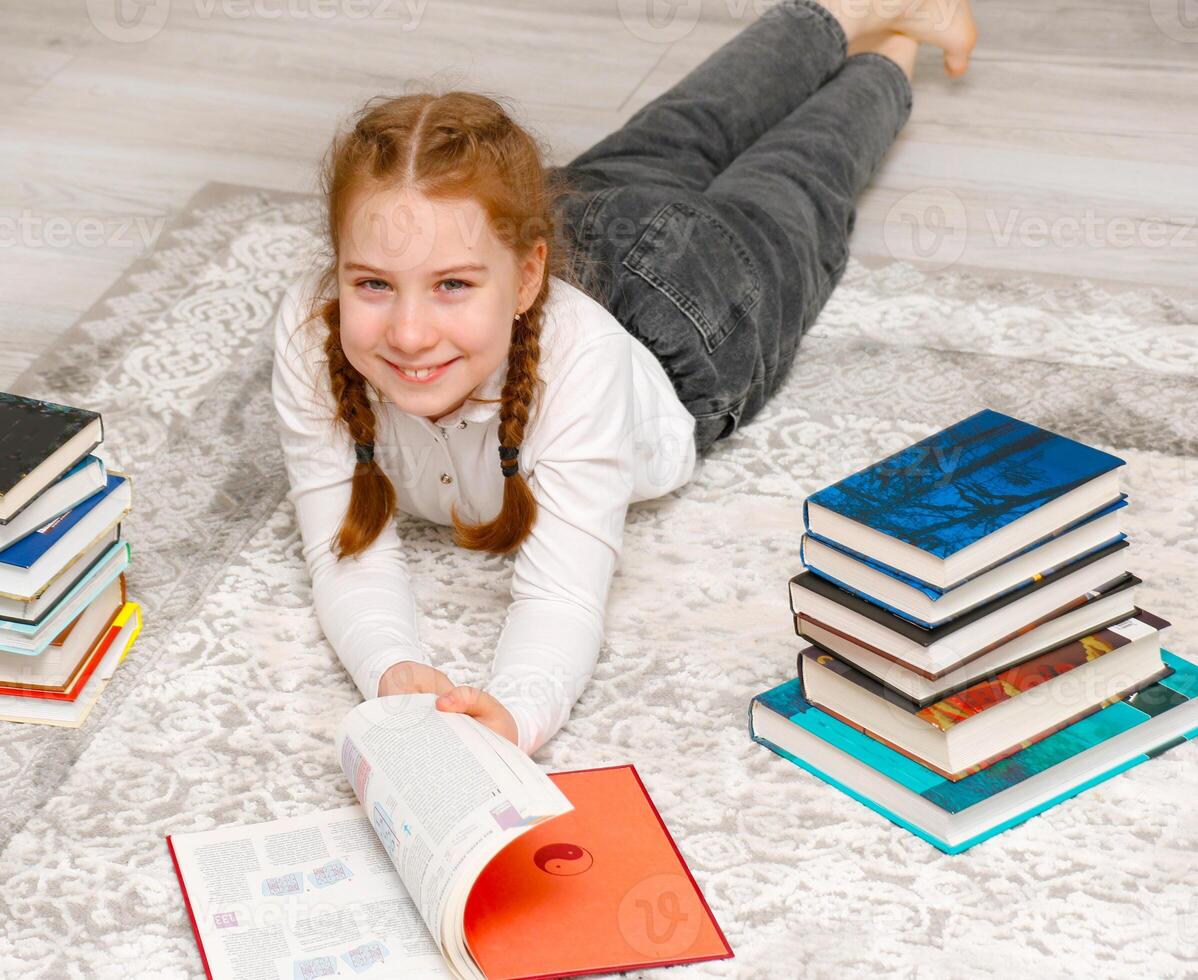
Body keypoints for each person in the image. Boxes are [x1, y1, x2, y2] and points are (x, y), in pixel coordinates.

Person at [271, 0, 978, 756]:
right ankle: (885, 31)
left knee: (796, 175)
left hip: (692, 308)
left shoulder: (582, 366)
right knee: (687, 125)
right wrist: (390, 665)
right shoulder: (312, 329)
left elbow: (561, 596)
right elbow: (347, 546)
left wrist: (515, 713)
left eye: (451, 285)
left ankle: (881, 45)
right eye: (373, 284)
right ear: (338, 269)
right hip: (583, 231)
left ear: (525, 273)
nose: (408, 334)